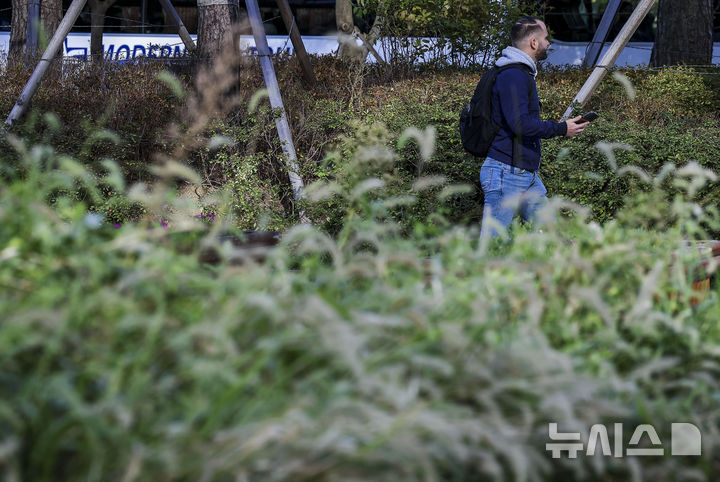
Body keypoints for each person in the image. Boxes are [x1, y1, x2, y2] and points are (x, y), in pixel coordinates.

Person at [480, 16, 588, 238]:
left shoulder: (521, 73)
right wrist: (561, 128)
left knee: (552, 236)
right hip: (506, 171)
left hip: (525, 173)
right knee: (492, 245)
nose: (549, 43)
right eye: (546, 38)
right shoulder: (513, 75)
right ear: (533, 42)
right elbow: (520, 124)